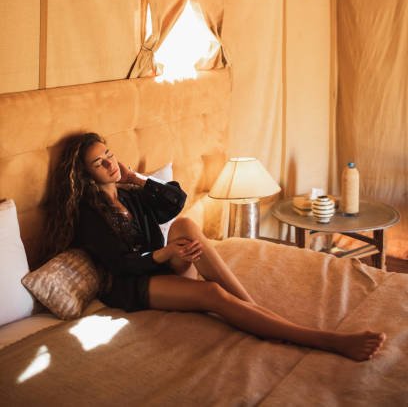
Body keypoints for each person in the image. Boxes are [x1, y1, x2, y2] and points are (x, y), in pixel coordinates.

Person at [44, 132, 385, 361]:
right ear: (85, 175)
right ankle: (323, 339)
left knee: (187, 225)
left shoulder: (130, 193)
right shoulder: (90, 214)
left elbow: (175, 202)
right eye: (99, 163)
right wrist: (165, 254)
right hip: (130, 285)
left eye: (110, 155)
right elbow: (120, 265)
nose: (110, 164)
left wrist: (140, 179)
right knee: (213, 296)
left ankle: (253, 308)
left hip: (161, 265)